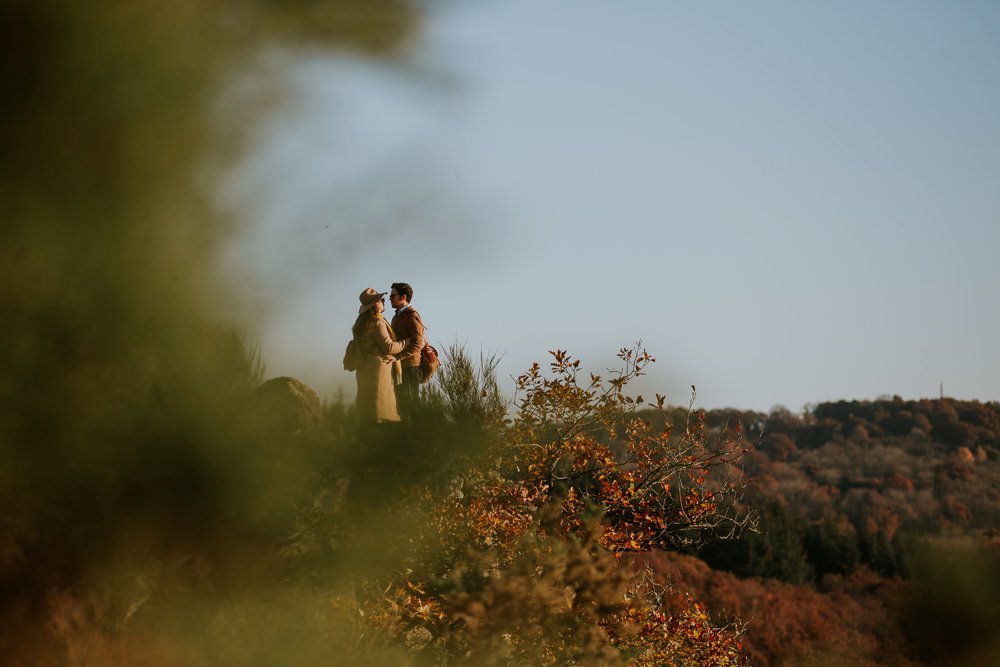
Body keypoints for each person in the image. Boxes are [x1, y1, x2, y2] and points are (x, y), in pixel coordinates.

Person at [351, 287, 409, 427]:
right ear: (376, 305)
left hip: (365, 368)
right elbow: (388, 347)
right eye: (381, 300)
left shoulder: (361, 324)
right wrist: (406, 342)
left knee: (368, 410)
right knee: (381, 411)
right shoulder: (377, 322)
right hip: (378, 369)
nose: (384, 301)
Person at [389, 282, 425, 421]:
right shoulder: (397, 316)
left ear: (403, 297)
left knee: (411, 407)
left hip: (411, 368)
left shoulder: (411, 316)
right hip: (402, 367)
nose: (390, 299)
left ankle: (416, 439)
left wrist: (398, 357)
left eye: (393, 296)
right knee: (402, 407)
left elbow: (418, 343)